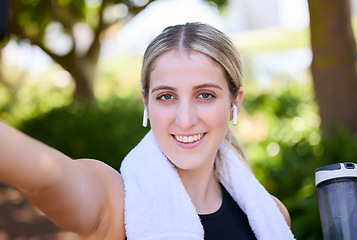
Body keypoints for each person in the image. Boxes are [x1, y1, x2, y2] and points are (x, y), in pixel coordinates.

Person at [0, 22, 294, 239]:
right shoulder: (118, 203)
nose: (185, 119)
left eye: (205, 95)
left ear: (235, 102)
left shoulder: (271, 215)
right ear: (146, 102)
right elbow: (47, 177)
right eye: (166, 96)